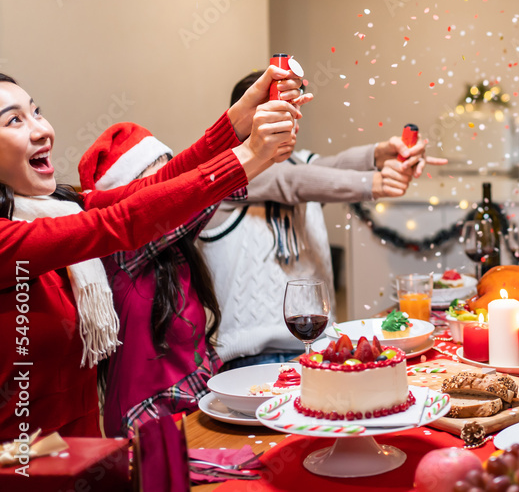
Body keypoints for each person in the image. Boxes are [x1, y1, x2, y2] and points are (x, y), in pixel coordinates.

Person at [0, 66, 305, 440]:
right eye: (14, 121)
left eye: (36, 111)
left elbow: (156, 187)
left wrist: (236, 122)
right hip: (21, 464)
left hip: (81, 453)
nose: (41, 129)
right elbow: (125, 222)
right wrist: (250, 156)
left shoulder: (62, 206)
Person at [198, 73, 446, 369]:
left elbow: (329, 167)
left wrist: (382, 153)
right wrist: (374, 182)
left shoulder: (298, 161)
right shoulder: (225, 173)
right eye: (279, 118)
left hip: (319, 344)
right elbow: (293, 182)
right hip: (249, 359)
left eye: (292, 117)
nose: (291, 129)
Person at [77, 124, 235, 438]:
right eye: (157, 178)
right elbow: (202, 195)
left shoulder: (176, 246)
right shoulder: (121, 252)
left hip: (198, 409)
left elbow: (201, 198)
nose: (172, 186)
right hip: (145, 426)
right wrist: (248, 145)